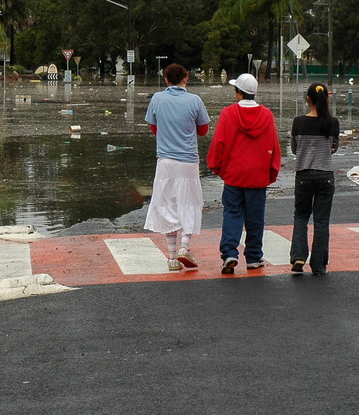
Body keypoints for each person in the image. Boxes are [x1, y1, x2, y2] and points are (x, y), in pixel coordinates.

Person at [206, 73, 281, 274]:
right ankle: (254, 257)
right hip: (257, 176)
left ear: (238, 92)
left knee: (232, 214)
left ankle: (230, 253)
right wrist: (271, 172)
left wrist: (216, 167)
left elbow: (219, 143)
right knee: (255, 217)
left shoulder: (228, 114)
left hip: (234, 175)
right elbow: (274, 145)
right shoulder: (267, 115)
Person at [144, 63, 211, 271]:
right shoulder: (195, 101)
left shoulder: (157, 99)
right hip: (188, 162)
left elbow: (154, 128)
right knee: (189, 204)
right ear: (186, 78)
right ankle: (185, 247)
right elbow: (203, 130)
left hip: (165, 162)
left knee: (167, 205)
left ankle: (172, 258)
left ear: (166, 80)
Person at [289, 83, 341, 276]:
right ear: (326, 99)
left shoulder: (298, 122)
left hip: (303, 173)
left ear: (308, 99)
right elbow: (334, 148)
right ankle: (319, 265)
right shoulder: (332, 123)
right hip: (325, 174)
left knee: (301, 216)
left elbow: (294, 149)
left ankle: (299, 255)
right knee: (321, 221)